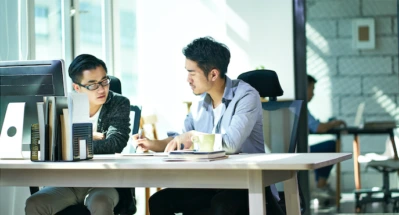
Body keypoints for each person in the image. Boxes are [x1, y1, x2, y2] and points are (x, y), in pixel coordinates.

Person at [132, 37, 280, 215]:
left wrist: (191, 136)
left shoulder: (246, 96)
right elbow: (181, 138)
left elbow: (231, 144)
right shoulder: (200, 103)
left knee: (221, 206)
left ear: (213, 74)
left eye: (192, 73)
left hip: (246, 184)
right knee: (159, 201)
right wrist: (153, 144)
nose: (188, 79)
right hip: (211, 182)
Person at [25, 54, 134, 215]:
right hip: (67, 183)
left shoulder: (118, 103)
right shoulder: (62, 104)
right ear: (77, 88)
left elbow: (114, 143)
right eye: (92, 85)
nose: (102, 89)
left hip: (104, 182)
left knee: (101, 203)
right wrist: (91, 136)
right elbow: (47, 143)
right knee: (34, 203)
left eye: (104, 81)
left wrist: (70, 142)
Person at [307, 74, 346, 202]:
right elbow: (318, 128)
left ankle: (321, 185)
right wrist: (334, 123)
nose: (313, 94)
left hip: (296, 148)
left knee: (324, 150)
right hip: (297, 151)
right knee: (330, 146)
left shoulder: (301, 107)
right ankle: (321, 186)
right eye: (312, 90)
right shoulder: (300, 106)